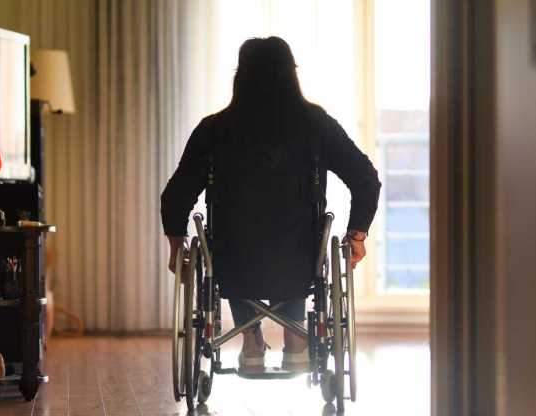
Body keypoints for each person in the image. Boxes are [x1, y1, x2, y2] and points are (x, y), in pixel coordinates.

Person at [161, 36, 380, 374]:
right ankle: (296, 340)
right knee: (298, 235)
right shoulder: (315, 124)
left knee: (232, 237)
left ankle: (250, 341)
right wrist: (357, 235)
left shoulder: (214, 129)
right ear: (292, 75)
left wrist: (177, 245)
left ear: (239, 77)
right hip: (300, 258)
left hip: (233, 261)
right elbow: (365, 178)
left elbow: (175, 196)